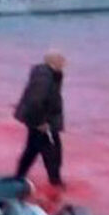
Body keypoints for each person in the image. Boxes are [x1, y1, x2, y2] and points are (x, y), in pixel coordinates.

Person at [13, 51, 66, 187]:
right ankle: (55, 183)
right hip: (41, 121)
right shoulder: (43, 77)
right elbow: (35, 100)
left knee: (33, 149)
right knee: (52, 151)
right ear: (53, 62)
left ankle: (19, 177)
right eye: (62, 60)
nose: (65, 63)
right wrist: (40, 122)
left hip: (42, 119)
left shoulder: (51, 75)